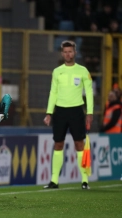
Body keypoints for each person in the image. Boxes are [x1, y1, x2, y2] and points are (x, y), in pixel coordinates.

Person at [43, 40, 94, 190]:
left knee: (79, 144)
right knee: (58, 143)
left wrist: (89, 112)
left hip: (76, 110)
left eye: (70, 51)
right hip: (60, 111)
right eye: (65, 52)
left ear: (75, 53)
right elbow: (53, 92)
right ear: (62, 53)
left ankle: (84, 180)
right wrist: (49, 112)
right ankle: (54, 181)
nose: (68, 54)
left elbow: (89, 93)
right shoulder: (57, 71)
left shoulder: (83, 71)